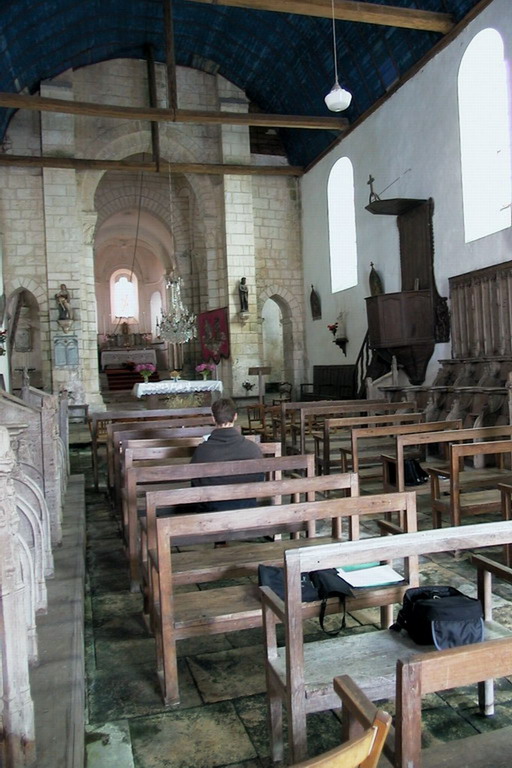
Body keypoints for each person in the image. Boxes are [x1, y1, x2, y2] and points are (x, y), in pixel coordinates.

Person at [190, 397, 263, 512]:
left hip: (212, 514)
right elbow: (259, 480)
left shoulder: (202, 451)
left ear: (213, 419)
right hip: (248, 512)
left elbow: (195, 483)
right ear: (235, 416)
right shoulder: (253, 449)